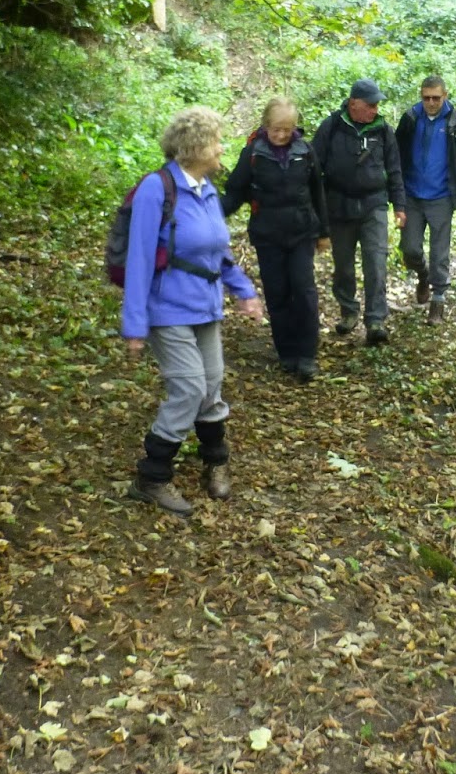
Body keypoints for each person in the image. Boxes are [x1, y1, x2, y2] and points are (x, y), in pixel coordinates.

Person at [121, 106, 263, 516]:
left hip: (205, 306)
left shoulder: (207, 189)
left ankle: (215, 463)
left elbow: (218, 252)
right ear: (196, 146)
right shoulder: (156, 188)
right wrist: (134, 325)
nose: (222, 148)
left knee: (212, 383)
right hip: (167, 309)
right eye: (217, 141)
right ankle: (151, 476)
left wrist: (243, 292)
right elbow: (140, 259)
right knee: (189, 388)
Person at [222, 97, 330, 382]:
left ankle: (307, 355)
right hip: (268, 234)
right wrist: (211, 215)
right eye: (276, 129)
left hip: (301, 232)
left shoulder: (304, 150)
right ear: (265, 125)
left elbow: (318, 191)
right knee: (277, 292)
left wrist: (324, 233)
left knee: (304, 291)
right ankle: (287, 353)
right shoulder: (253, 153)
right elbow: (235, 190)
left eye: (287, 129)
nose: (281, 135)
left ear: (294, 127)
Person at [311, 78, 405, 346]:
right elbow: (313, 166)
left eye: (377, 105)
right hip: (339, 206)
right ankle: (348, 311)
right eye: (370, 105)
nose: (375, 109)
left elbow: (395, 169)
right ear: (354, 103)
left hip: (374, 204)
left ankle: (375, 320)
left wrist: (399, 206)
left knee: (376, 262)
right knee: (343, 266)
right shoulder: (332, 127)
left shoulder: (383, 131)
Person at [396, 75, 456, 324]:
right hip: (412, 195)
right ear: (421, 96)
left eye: (436, 98)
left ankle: (438, 301)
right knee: (410, 249)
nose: (431, 102)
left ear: (445, 96)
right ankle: (423, 275)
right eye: (426, 98)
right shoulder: (411, 119)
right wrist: (394, 191)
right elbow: (395, 155)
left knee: (439, 253)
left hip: (442, 196)